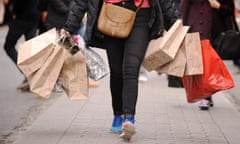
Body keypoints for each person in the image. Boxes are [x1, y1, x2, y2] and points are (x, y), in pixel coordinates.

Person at [61, 0, 180, 141]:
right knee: (116, 71)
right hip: (111, 14)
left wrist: (176, 24)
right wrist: (69, 26)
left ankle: (129, 118)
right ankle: (118, 114)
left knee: (131, 67)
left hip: (141, 15)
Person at [180, 0, 237, 110]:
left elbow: (230, 10)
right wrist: (181, 27)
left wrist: (218, 6)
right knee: (202, 64)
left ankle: (208, 92)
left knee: (209, 65)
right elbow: (184, 7)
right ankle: (205, 96)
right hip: (196, 28)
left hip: (216, 32)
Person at [3, 0, 41, 91]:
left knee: (8, 46)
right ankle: (33, 75)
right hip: (34, 15)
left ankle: (29, 73)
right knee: (29, 48)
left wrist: (12, 11)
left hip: (21, 17)